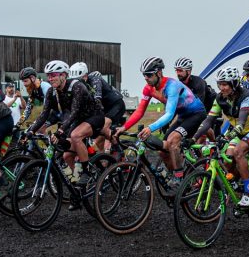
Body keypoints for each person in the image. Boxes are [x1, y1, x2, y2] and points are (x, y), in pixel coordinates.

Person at [115, 57, 207, 186]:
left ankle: (179, 177)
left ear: (158, 73)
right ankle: (180, 178)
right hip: (182, 116)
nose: (146, 78)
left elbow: (169, 114)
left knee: (173, 140)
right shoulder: (148, 89)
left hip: (196, 114)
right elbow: (140, 111)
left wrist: (150, 128)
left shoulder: (172, 86)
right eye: (144, 75)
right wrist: (124, 127)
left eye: (149, 75)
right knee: (162, 151)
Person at [193, 67, 249, 207]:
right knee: (228, 158)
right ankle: (234, 184)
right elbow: (208, 121)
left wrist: (227, 137)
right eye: (219, 84)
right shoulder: (220, 98)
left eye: (225, 84)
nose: (221, 88)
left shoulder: (246, 96)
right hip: (242, 132)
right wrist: (193, 138)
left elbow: (241, 123)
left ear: (234, 83)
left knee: (238, 151)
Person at [25, 61, 105, 195]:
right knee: (67, 155)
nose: (50, 78)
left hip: (95, 116)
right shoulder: (51, 91)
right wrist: (31, 131)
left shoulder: (77, 86)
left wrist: (60, 131)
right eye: (48, 76)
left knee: (75, 136)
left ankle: (86, 172)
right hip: (78, 120)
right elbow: (44, 114)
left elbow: (74, 112)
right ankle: (78, 186)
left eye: (53, 75)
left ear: (63, 75)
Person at [69, 62, 126, 153]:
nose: (75, 84)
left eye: (77, 80)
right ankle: (103, 159)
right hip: (103, 108)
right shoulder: (79, 87)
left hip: (115, 105)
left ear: (85, 76)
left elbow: (97, 98)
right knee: (99, 141)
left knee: (103, 128)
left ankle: (119, 150)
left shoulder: (95, 79)